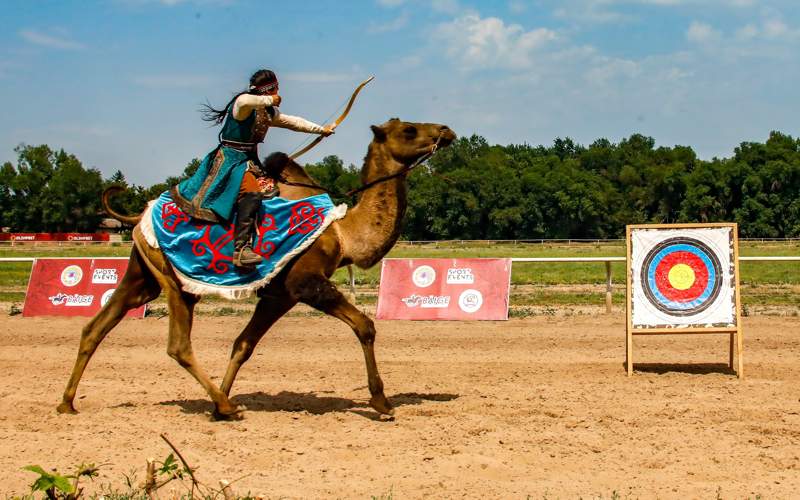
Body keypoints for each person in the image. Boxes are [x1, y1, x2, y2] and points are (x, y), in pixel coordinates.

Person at [171, 69, 333, 269]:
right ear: (269, 89)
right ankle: (241, 250)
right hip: (230, 162)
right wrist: (269, 100)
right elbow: (244, 101)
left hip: (249, 161)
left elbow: (292, 122)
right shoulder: (243, 105)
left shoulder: (267, 112)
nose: (278, 91)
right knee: (252, 193)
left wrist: (321, 130)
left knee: (274, 191)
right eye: (275, 88)